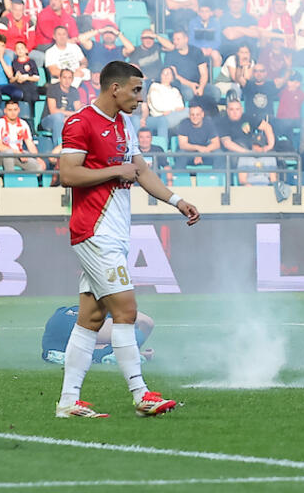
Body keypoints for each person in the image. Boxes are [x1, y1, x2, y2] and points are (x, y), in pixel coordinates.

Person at [55, 61, 199, 418]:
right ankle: (140, 394)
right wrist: (115, 170)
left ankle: (68, 401)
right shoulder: (80, 122)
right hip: (95, 231)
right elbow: (68, 174)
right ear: (114, 88)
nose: (140, 98)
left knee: (91, 318)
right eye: (136, 90)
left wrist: (176, 201)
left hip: (115, 232)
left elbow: (141, 170)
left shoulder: (124, 123)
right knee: (126, 311)